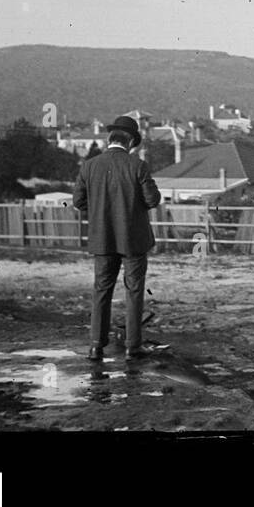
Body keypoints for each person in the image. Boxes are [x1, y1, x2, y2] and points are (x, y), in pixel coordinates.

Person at [72, 115, 161, 361]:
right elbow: (153, 200)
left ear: (109, 138)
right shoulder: (137, 166)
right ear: (130, 141)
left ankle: (96, 345)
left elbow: (79, 201)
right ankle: (133, 347)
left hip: (102, 239)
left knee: (101, 290)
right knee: (134, 290)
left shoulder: (89, 166)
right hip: (134, 240)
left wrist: (102, 212)